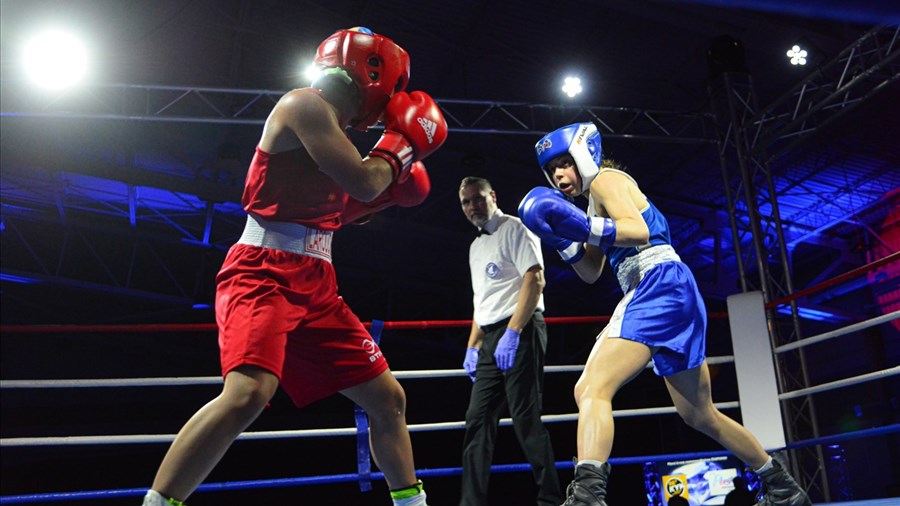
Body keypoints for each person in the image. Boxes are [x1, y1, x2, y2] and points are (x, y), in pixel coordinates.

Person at [141, 27, 447, 506]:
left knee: (388, 400)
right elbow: (367, 182)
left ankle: (412, 503)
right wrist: (403, 145)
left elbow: (337, 212)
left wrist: (390, 197)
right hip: (263, 274)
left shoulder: (334, 134)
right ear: (376, 78)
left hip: (317, 283)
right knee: (247, 395)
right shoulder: (304, 106)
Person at [517, 122, 811, 506]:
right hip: (668, 291)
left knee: (590, 388)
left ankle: (587, 496)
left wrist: (586, 226)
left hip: (658, 283)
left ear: (584, 156)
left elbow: (637, 231)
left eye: (564, 163)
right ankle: (784, 488)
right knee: (700, 415)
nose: (558, 175)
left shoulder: (607, 180)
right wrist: (562, 239)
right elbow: (591, 272)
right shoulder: (593, 203)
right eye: (551, 169)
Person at [458, 176, 563, 506]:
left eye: (478, 198)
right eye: (466, 201)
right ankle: (471, 502)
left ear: (493, 196)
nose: (473, 205)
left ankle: (551, 499)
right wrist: (472, 345)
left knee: (526, 418)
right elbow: (482, 303)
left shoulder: (515, 228)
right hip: (490, 339)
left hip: (522, 329)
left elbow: (536, 278)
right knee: (477, 420)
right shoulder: (475, 246)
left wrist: (515, 332)